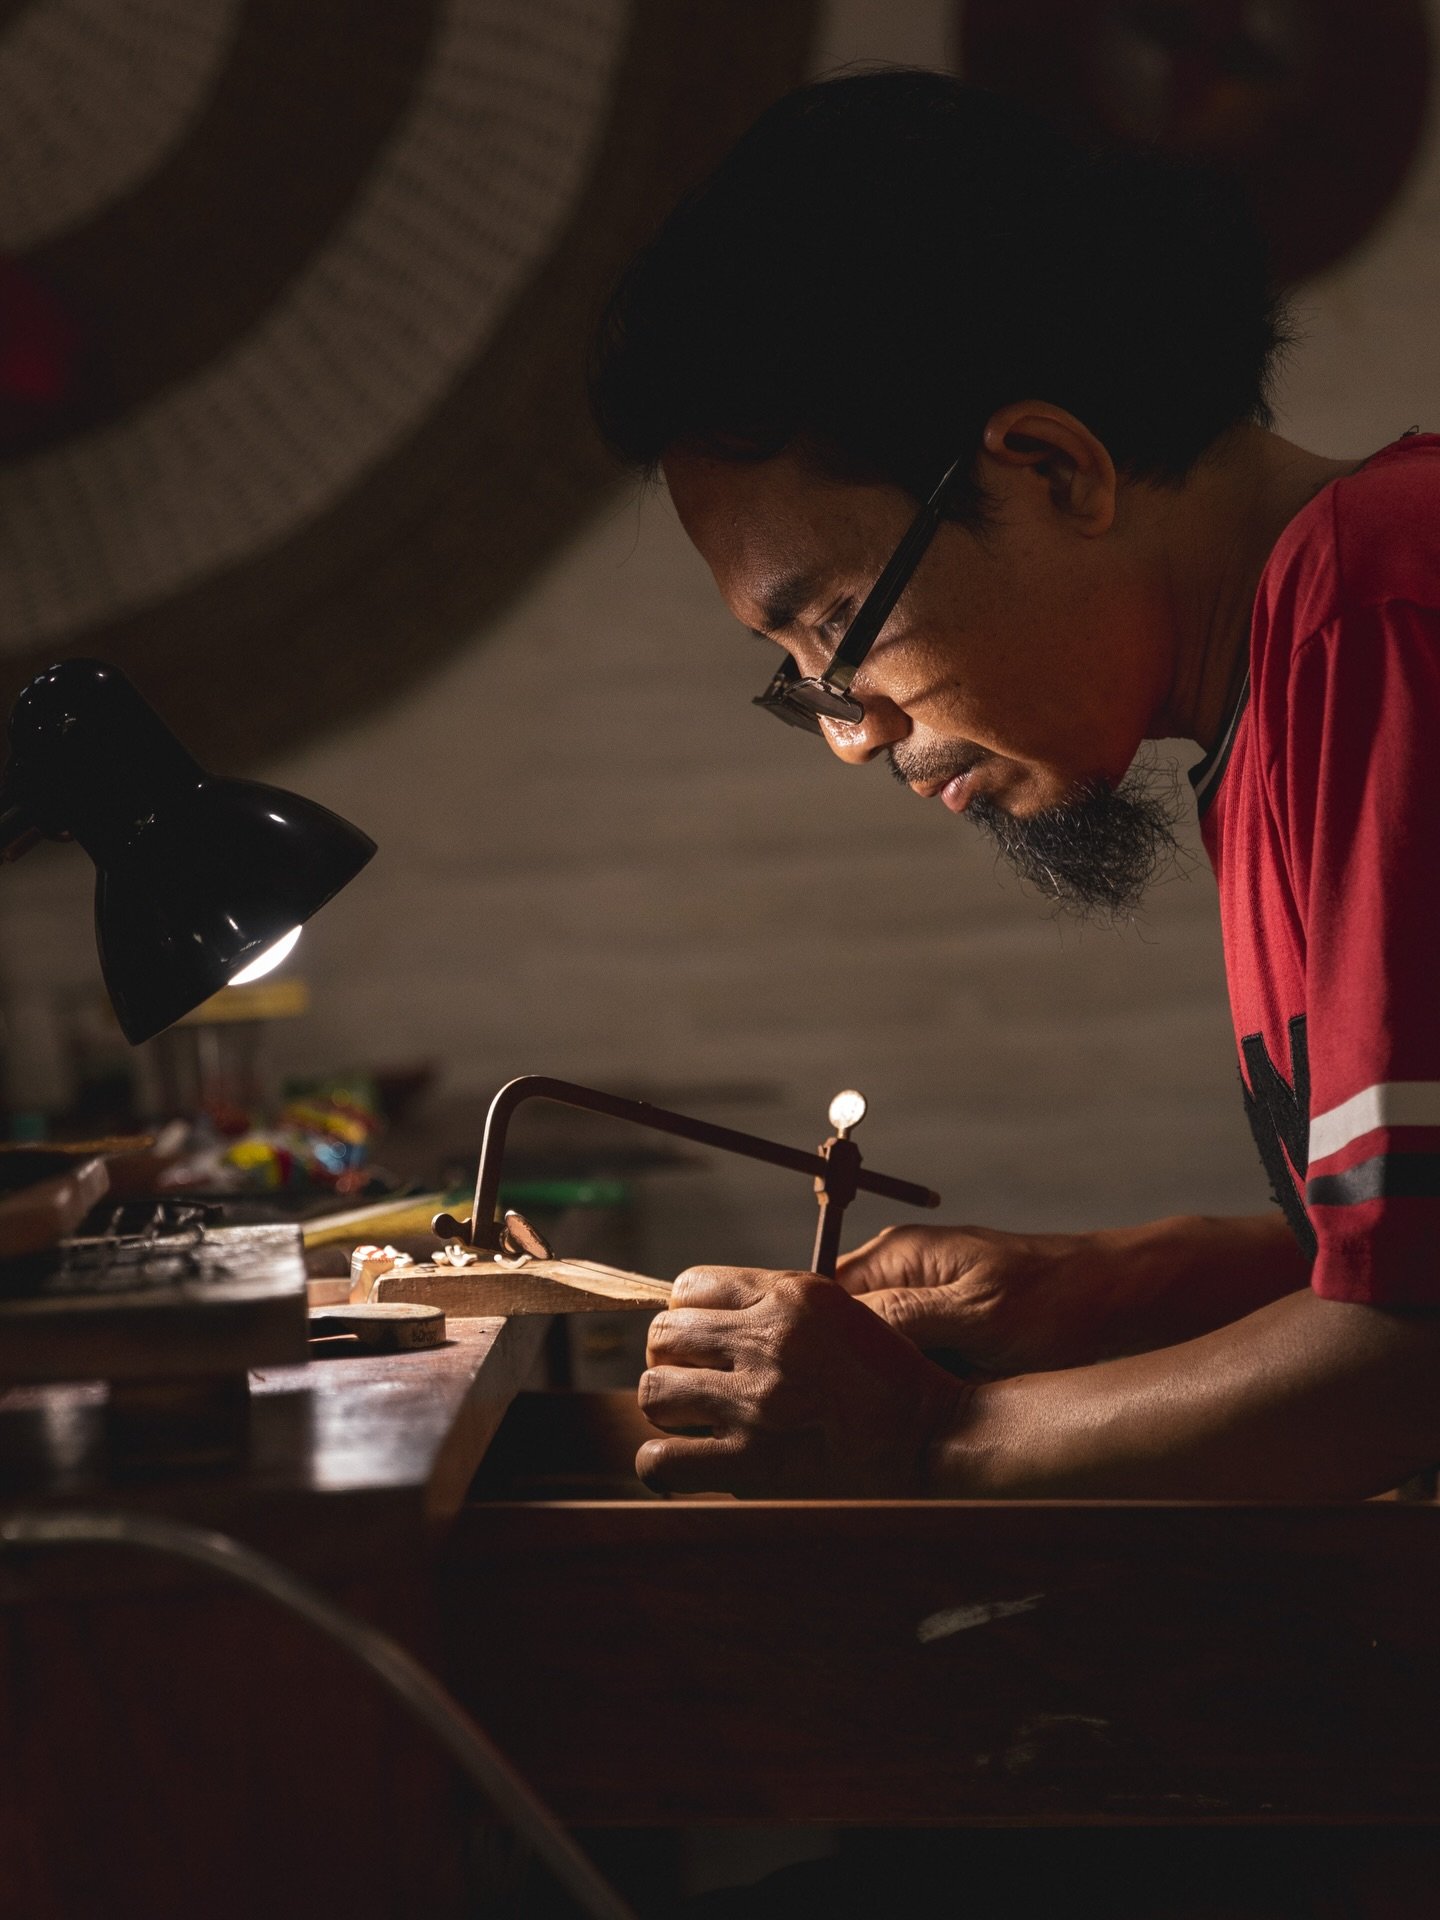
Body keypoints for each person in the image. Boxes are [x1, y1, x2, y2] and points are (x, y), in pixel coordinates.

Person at [589, 68, 1440, 1502]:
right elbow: (1401, 1260)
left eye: (839, 632)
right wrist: (1100, 1288)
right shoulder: (1289, 680)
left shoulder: (1387, 611)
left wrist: (935, 1436)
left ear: (1052, 467)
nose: (854, 733)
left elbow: (1420, 1366)